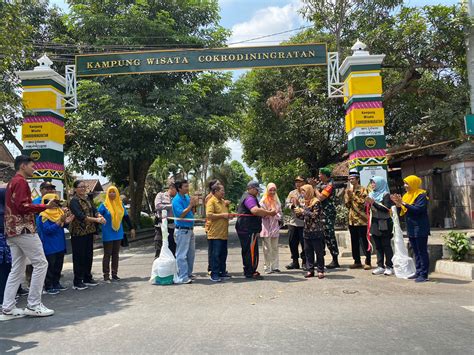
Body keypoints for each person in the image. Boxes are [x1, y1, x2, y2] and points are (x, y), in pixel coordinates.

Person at [2, 155, 58, 318]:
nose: (34, 169)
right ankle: (33, 305)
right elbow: (23, 206)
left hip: (12, 230)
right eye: (32, 166)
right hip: (23, 229)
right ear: (22, 166)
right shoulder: (20, 182)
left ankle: (8, 308)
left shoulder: (13, 182)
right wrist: (44, 206)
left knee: (17, 269)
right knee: (41, 263)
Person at [391, 175, 431, 282]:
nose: (405, 186)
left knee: (422, 251)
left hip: (420, 226)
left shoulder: (421, 195)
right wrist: (398, 204)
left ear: (413, 183)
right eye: (404, 183)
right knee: (415, 250)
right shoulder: (406, 195)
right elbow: (404, 211)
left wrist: (403, 203)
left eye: (407, 183)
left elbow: (418, 209)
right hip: (411, 226)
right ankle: (418, 271)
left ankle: (424, 274)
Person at [235, 181, 276, 280]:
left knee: (248, 250)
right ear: (251, 188)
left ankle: (249, 270)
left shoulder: (247, 196)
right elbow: (255, 210)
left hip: (246, 228)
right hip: (247, 229)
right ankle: (250, 271)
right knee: (250, 251)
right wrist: (269, 213)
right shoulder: (249, 198)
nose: (258, 192)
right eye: (257, 190)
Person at [69, 180, 105, 290]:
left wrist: (100, 216)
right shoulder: (73, 201)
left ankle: (87, 277)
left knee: (88, 256)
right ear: (75, 189)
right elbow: (81, 216)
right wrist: (97, 220)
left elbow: (94, 210)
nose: (83, 189)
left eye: (84, 187)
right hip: (78, 233)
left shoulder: (88, 199)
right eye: (80, 187)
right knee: (79, 257)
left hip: (89, 231)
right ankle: (77, 281)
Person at [37, 193, 74, 294]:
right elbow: (47, 230)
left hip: (60, 244)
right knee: (50, 267)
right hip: (50, 245)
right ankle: (48, 286)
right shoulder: (43, 215)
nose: (57, 204)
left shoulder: (59, 212)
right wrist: (59, 222)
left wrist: (66, 221)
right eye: (55, 202)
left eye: (58, 202)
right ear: (47, 202)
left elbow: (62, 225)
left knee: (58, 265)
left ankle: (56, 283)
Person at [98, 186, 136, 282]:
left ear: (117, 193)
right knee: (107, 254)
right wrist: (95, 232)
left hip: (118, 232)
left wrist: (132, 228)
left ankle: (114, 274)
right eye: (110, 192)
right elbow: (97, 218)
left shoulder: (120, 204)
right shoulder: (104, 205)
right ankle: (106, 275)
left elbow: (126, 217)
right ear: (107, 194)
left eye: (114, 192)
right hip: (107, 233)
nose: (112, 194)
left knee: (116, 254)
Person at [294, 184, 325, 279]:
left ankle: (320, 270)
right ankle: (310, 270)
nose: (302, 193)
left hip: (316, 230)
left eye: (304, 191)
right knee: (308, 252)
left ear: (309, 191)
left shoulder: (316, 202)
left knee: (319, 252)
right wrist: (297, 211)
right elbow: (303, 217)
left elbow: (315, 215)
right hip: (307, 231)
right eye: (302, 191)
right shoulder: (305, 202)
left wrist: (303, 211)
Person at [172, 180, 198, 284]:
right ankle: (182, 276)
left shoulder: (187, 197)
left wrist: (194, 205)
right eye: (185, 186)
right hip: (182, 230)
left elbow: (191, 212)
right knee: (181, 254)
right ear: (179, 188)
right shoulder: (176, 200)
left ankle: (188, 273)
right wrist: (191, 205)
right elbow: (180, 215)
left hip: (190, 230)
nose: (188, 188)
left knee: (191, 253)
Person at [366, 176, 394, 276]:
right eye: (372, 183)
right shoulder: (371, 194)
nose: (372, 185)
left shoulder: (386, 194)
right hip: (374, 223)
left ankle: (390, 266)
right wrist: (367, 204)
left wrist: (374, 203)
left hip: (384, 223)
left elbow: (386, 209)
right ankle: (380, 266)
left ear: (380, 183)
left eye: (374, 183)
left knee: (386, 245)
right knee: (378, 246)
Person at [344, 171, 371, 270]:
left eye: (353, 179)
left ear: (357, 179)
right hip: (352, 219)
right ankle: (357, 261)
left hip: (362, 219)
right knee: (354, 241)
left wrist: (353, 196)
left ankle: (368, 261)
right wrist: (348, 197)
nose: (351, 180)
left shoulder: (363, 189)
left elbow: (364, 203)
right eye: (350, 179)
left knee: (364, 241)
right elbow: (347, 205)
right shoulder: (348, 190)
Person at [314, 168, 340, 269]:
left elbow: (321, 197)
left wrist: (314, 188)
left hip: (328, 213)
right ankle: (320, 259)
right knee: (320, 236)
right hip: (320, 213)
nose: (319, 176)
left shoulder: (330, 185)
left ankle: (335, 259)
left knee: (329, 235)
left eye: (320, 174)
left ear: (325, 175)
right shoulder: (320, 184)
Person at [206, 182, 231, 282]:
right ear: (215, 191)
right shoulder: (211, 201)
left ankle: (222, 271)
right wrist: (223, 215)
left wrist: (229, 214)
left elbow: (225, 214)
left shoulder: (223, 202)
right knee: (215, 255)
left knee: (223, 254)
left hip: (223, 233)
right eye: (222, 191)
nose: (223, 193)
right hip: (215, 233)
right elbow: (209, 215)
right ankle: (214, 274)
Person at [260, 183, 282, 274]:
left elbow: (280, 213)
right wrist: (269, 213)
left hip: (275, 227)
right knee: (266, 248)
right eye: (270, 190)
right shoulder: (263, 201)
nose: (272, 192)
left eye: (274, 190)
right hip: (266, 226)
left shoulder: (277, 201)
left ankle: (275, 266)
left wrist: (276, 215)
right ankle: (267, 267)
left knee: (275, 247)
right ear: (267, 190)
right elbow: (261, 213)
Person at [285, 176, 306, 270]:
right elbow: (286, 204)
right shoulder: (292, 193)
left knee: (304, 243)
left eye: (300, 181)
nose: (298, 183)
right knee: (292, 242)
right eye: (296, 181)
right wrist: (292, 205)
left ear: (303, 182)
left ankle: (305, 261)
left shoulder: (307, 192)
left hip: (304, 222)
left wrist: (299, 204)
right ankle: (295, 261)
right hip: (293, 222)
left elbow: (309, 204)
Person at [154, 182, 177, 257]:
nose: (177, 192)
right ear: (171, 188)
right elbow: (157, 206)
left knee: (172, 247)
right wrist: (171, 206)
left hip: (172, 227)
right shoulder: (161, 195)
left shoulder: (177, 198)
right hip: (161, 226)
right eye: (176, 190)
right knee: (159, 248)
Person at [0, 183, 12, 306]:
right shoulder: (4, 212)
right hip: (4, 245)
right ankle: (3, 298)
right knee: (4, 270)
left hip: (5, 244)